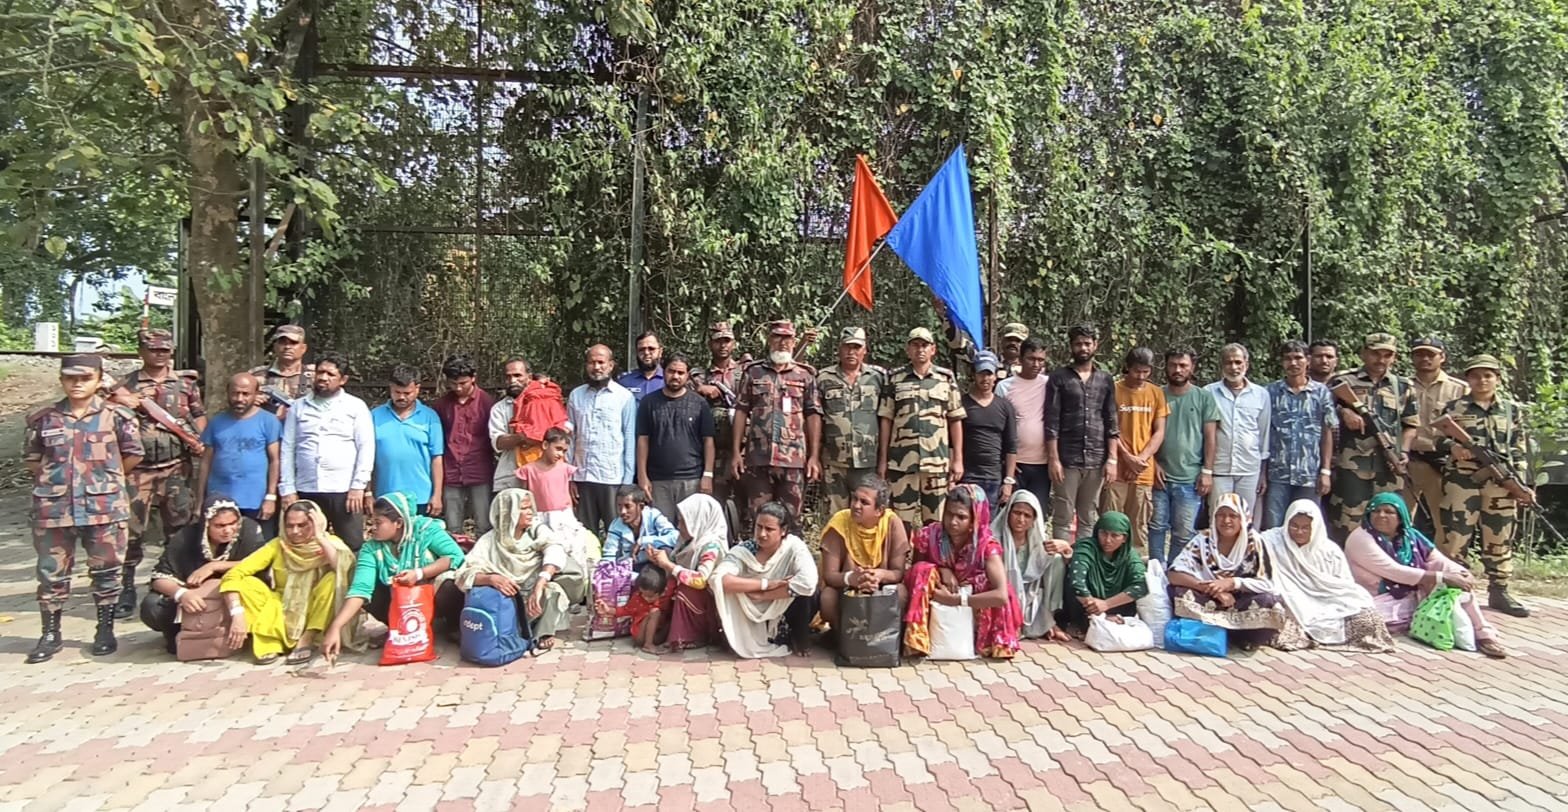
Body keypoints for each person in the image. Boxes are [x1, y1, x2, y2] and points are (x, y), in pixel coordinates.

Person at [24, 354, 143, 662]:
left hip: (103, 506)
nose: (77, 384)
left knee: (106, 571)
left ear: (99, 378)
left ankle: (104, 630)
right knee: (51, 574)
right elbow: (34, 461)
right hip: (54, 509)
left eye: (85, 378)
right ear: (61, 380)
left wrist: (106, 480)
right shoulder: (44, 418)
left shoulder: (118, 416)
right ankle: (50, 634)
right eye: (70, 378)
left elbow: (132, 456)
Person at [1345, 493, 1505, 658]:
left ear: (1401, 518)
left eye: (1388, 512)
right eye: (1375, 511)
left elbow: (1438, 560)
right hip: (1378, 598)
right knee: (1361, 622)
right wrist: (1442, 577)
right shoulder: (1360, 538)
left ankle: (1484, 635)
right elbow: (1393, 571)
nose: (1381, 515)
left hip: (1413, 594)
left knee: (1460, 590)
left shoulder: (1411, 536)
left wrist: (1461, 573)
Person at [115, 327, 206, 619]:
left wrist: (202, 442)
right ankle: (125, 587)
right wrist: (118, 401)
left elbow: (197, 414)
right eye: (153, 349)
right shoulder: (125, 385)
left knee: (178, 530)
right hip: (136, 472)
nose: (160, 354)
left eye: (165, 349)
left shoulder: (185, 384)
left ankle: (171, 581)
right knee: (131, 532)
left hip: (175, 467)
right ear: (141, 351)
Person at [1438, 354, 1534, 618]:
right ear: (1468, 379)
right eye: (1476, 375)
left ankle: (1499, 590)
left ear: (1498, 379)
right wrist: (1453, 447)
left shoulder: (1512, 410)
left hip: (1500, 483)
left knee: (1500, 536)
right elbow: (1437, 439)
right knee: (1456, 536)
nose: (1482, 380)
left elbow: (1519, 448)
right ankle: (1455, 590)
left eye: (1488, 375)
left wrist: (1520, 483)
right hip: (1462, 482)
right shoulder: (1454, 408)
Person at [321, 493, 467, 660]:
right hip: (399, 602)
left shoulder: (426, 530)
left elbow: (455, 556)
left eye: (378, 523)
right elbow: (360, 589)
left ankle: (452, 626)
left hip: (432, 596)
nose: (372, 528)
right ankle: (398, 627)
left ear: (398, 523)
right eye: (371, 522)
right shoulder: (371, 548)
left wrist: (420, 573)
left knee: (449, 584)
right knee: (363, 585)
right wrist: (336, 627)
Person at [218, 500, 360, 665]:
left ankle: (307, 639)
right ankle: (271, 642)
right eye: (289, 526)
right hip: (283, 608)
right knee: (246, 583)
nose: (295, 531)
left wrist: (319, 536)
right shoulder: (278, 545)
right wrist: (237, 613)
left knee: (333, 580)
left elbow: (344, 569)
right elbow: (235, 574)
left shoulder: (330, 543)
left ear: (317, 523)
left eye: (303, 525)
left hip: (315, 611)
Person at [453, 488, 587, 653]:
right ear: (508, 511)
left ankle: (542, 633)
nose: (530, 512)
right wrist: (491, 579)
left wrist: (539, 584)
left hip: (533, 595)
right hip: (506, 601)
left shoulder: (537, 531)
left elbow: (555, 549)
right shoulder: (489, 541)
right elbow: (462, 574)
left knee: (554, 590)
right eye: (524, 508)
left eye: (530, 507)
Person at [1258, 499, 1394, 652]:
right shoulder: (1272, 542)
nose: (1299, 532)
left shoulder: (1329, 550)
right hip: (1291, 601)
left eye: (1305, 528)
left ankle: (1319, 636)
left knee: (1368, 618)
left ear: (1315, 528)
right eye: (1294, 526)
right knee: (1277, 617)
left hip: (1327, 601)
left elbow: (1344, 584)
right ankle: (1304, 635)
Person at [902, 484, 1021, 659]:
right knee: (923, 571)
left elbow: (1001, 595)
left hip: (971, 605)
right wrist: (941, 569)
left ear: (975, 519)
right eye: (949, 514)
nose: (953, 522)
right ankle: (918, 642)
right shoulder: (929, 536)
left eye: (961, 517)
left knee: (986, 583)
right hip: (939, 604)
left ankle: (989, 642)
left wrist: (956, 600)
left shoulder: (986, 546)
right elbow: (913, 575)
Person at [141, 498, 268, 657]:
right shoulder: (186, 538)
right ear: (206, 524)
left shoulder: (248, 530)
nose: (228, 530)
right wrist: (182, 594)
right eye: (220, 526)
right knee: (152, 606)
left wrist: (214, 566)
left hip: (235, 599)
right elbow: (159, 578)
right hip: (197, 602)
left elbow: (261, 563)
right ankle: (181, 634)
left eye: (233, 523)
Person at [1166, 493, 1287, 650]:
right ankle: (1218, 632)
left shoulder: (1255, 542)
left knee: (1270, 602)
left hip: (1243, 601)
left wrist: (1233, 583)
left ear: (1243, 518)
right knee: (1178, 592)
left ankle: (1240, 636)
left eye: (1233, 516)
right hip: (1210, 598)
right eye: (1221, 515)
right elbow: (1174, 573)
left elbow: (1268, 583)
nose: (1226, 521)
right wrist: (1212, 589)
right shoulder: (1203, 540)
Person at [731, 320, 822, 527]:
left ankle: (790, 559)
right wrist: (737, 452)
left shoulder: (805, 375)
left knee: (792, 520)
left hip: (793, 460)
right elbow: (741, 410)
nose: (782, 343)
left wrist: (814, 456)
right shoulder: (753, 372)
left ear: (794, 341)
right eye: (777, 337)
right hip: (758, 459)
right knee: (758, 519)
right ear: (769, 339)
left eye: (787, 338)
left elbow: (813, 414)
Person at [280, 353, 375, 548]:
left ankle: (350, 579)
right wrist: (288, 488)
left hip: (344, 490)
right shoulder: (298, 407)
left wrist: (358, 487)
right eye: (320, 372)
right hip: (307, 488)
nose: (323, 377)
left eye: (330, 374)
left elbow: (366, 447)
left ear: (343, 380)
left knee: (351, 545)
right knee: (306, 544)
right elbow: (288, 448)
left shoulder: (355, 407)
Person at [878, 327, 965, 528]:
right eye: (915, 345)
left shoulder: (945, 378)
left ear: (933, 349)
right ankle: (899, 560)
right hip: (901, 463)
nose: (920, 350)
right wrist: (883, 460)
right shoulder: (895, 379)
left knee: (936, 523)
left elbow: (955, 418)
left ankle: (930, 560)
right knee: (899, 523)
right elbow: (886, 419)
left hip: (936, 461)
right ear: (908, 349)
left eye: (924, 345)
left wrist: (958, 459)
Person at [710, 501, 820, 658]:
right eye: (759, 527)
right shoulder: (745, 550)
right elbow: (720, 580)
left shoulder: (793, 547)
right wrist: (766, 584)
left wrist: (764, 595)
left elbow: (807, 582)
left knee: (811, 592)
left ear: (783, 531)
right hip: (750, 613)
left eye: (769, 529)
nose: (762, 534)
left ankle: (798, 637)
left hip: (780, 610)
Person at [1327, 332, 1408, 541]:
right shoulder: (1343, 381)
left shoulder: (1403, 386)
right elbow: (1322, 411)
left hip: (1389, 465)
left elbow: (1411, 424)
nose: (1381, 359)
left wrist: (1404, 451)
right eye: (1375, 353)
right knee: (1349, 519)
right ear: (1364, 354)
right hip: (1353, 466)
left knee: (1388, 517)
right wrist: (1343, 411)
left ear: (1394, 358)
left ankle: (1386, 563)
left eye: (1387, 355)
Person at [1044, 324, 1118, 542]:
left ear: (1095, 345)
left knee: (1088, 517)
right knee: (1063, 515)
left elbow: (1112, 420)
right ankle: (1060, 566)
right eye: (1078, 344)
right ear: (1071, 347)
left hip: (1096, 459)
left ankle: (1082, 566)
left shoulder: (1105, 379)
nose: (1083, 348)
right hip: (1067, 459)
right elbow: (1051, 420)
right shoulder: (1059, 377)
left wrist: (1112, 459)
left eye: (1087, 343)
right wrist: (1053, 459)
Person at [1150, 348, 1218, 566]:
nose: (1177, 370)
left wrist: (1207, 471)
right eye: (1173, 365)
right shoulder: (1155, 395)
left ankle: (1176, 573)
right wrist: (1152, 464)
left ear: (1192, 367)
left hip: (1190, 478)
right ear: (1165, 366)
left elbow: (1210, 437)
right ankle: (1156, 573)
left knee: (1183, 532)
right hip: (1158, 476)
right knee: (1156, 527)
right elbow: (1144, 434)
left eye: (1183, 365)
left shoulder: (1203, 397)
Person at [818, 475, 910, 632]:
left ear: (879, 511)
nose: (856, 505)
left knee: (900, 593)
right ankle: (842, 639)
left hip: (881, 586)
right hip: (847, 589)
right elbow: (829, 575)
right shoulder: (839, 523)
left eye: (864, 502)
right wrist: (852, 578)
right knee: (828, 597)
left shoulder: (892, 523)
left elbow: (898, 573)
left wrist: (878, 575)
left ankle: (887, 639)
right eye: (855, 499)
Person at [196, 373, 281, 540]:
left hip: (255, 500)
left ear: (256, 394)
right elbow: (206, 462)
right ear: (227, 393)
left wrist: (271, 497)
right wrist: (199, 501)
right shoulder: (216, 422)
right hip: (220, 499)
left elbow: (275, 460)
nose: (239, 398)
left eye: (245, 394)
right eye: (235, 393)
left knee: (258, 549)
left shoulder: (269, 421)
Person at [1399, 337, 1468, 543]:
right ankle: (1401, 566)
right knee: (1398, 519)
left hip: (1441, 462)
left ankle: (1444, 571)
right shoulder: (1400, 386)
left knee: (1445, 523)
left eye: (1431, 354)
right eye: (1420, 354)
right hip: (1406, 461)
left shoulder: (1460, 389)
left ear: (1442, 357)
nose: (1425, 359)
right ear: (1412, 358)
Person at [1263, 341, 1336, 528]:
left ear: (1308, 361)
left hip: (1309, 474)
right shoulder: (1269, 392)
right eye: (1288, 359)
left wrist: (1325, 471)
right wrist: (1262, 473)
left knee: (1306, 527)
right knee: (1274, 527)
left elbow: (1327, 432)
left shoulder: (1321, 393)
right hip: (1277, 474)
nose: (1293, 363)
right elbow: (1262, 433)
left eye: (1298, 358)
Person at [1102, 347, 1168, 556]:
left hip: (1143, 471)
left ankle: (1137, 572)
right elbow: (1109, 428)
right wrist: (1127, 458)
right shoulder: (1113, 389)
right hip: (1117, 470)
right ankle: (1108, 567)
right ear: (1127, 368)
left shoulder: (1156, 393)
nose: (1140, 377)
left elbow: (1159, 432)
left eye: (1145, 372)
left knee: (1138, 526)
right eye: (1136, 371)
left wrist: (1140, 459)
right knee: (1111, 523)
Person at [636, 352, 716, 521]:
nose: (675, 376)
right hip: (657, 481)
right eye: (671, 371)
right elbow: (643, 440)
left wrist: (707, 475)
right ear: (663, 372)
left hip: (691, 479)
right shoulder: (648, 403)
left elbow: (708, 441)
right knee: (661, 533)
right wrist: (642, 476)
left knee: (690, 531)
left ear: (687, 376)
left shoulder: (699, 404)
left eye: (681, 373)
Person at [814, 327, 885, 516]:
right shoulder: (823, 378)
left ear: (865, 350)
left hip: (867, 462)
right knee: (835, 517)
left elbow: (886, 418)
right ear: (839, 348)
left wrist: (884, 459)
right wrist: (815, 456)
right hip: (834, 462)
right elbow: (815, 420)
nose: (851, 352)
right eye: (847, 347)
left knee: (865, 515)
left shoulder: (878, 378)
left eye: (856, 347)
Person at [568, 346, 638, 537]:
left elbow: (630, 439)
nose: (596, 367)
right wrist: (569, 476)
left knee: (617, 533)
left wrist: (627, 482)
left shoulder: (624, 397)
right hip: (583, 477)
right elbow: (570, 437)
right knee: (584, 536)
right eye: (592, 362)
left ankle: (617, 567)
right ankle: (587, 567)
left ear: (611, 365)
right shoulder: (576, 396)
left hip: (612, 478)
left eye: (601, 362)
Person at [647, 493, 731, 649]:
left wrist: (669, 566)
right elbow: (675, 565)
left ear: (698, 521)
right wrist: (659, 561)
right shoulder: (687, 541)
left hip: (710, 606)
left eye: (683, 522)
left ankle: (689, 637)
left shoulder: (711, 546)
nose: (679, 526)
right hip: (694, 602)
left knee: (686, 587)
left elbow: (700, 580)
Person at [993, 489, 1071, 641]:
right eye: (1017, 513)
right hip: (1002, 592)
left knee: (1056, 561)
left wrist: (1066, 548)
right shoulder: (995, 537)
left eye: (1027, 515)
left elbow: (1062, 561)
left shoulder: (1037, 541)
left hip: (1031, 595)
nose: (1021, 519)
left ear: (1034, 519)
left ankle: (1050, 621)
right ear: (1008, 512)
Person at [1204, 343, 1270, 524]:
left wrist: (1263, 473)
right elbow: (1205, 434)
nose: (1234, 367)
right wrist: (1206, 471)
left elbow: (1263, 437)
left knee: (1245, 519)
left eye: (1238, 362)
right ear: (1222, 366)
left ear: (1246, 364)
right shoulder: (1209, 393)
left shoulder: (1261, 394)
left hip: (1249, 469)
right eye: (1228, 363)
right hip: (1219, 469)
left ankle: (1246, 553)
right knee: (1219, 518)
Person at [433, 354, 497, 537]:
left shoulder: (487, 403)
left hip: (480, 470)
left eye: (463, 383)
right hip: (451, 471)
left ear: (473, 378)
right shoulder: (441, 405)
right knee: (452, 527)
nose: (458, 388)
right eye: (453, 384)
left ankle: (482, 562)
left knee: (484, 525)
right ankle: (455, 562)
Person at [371, 365, 444, 515]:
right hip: (385, 496)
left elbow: (436, 458)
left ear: (417, 389)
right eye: (397, 392)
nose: (402, 397)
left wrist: (437, 495)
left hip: (420, 497)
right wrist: (367, 492)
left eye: (407, 393)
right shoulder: (374, 416)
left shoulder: (430, 418)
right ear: (390, 388)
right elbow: (366, 458)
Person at [1062, 512, 1147, 635]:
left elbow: (1142, 585)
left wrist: (1106, 604)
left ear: (1124, 538)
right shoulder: (1086, 548)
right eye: (1103, 533)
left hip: (1116, 609)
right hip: (1086, 607)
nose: (1107, 540)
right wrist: (1098, 611)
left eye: (1115, 536)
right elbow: (1077, 581)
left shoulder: (1129, 556)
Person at [488, 356, 562, 493]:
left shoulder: (548, 401)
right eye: (508, 377)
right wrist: (525, 436)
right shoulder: (499, 408)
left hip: (548, 476)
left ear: (529, 376)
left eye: (517, 375)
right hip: (511, 477)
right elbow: (498, 443)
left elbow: (562, 433)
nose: (512, 381)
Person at [694, 321, 743, 515]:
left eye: (726, 341)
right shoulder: (699, 375)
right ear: (710, 344)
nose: (722, 346)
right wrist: (700, 389)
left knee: (746, 506)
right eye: (718, 341)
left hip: (743, 451)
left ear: (734, 343)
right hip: (713, 453)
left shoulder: (746, 372)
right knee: (714, 506)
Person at [996, 337, 1052, 507]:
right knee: (1010, 514)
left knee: (1036, 514)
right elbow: (998, 428)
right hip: (1015, 464)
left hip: (1042, 464)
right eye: (1031, 359)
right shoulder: (1004, 387)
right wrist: (1005, 463)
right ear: (1020, 359)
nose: (1036, 364)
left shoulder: (1049, 384)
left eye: (1040, 360)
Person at [960, 350, 1018, 508]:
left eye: (989, 374)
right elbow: (953, 443)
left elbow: (1011, 446)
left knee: (989, 527)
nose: (985, 379)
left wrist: (1008, 481)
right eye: (981, 374)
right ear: (974, 374)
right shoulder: (961, 404)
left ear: (995, 376)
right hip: (966, 476)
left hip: (993, 477)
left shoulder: (1005, 407)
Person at [598, 566, 670, 653]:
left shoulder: (664, 599)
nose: (646, 598)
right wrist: (608, 610)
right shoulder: (637, 598)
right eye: (643, 594)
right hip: (640, 635)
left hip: (657, 634)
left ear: (662, 592)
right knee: (655, 612)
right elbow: (624, 610)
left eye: (650, 596)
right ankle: (648, 645)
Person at [602, 486, 679, 566]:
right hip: (630, 568)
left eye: (627, 506)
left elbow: (675, 537)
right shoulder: (616, 525)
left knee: (666, 550)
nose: (622, 511)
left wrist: (643, 541)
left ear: (641, 507)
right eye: (619, 506)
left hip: (654, 564)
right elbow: (609, 555)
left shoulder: (653, 516)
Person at [251, 324, 314, 413]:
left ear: (303, 348)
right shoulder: (256, 375)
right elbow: (237, 403)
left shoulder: (315, 376)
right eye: (282, 342)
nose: (287, 347)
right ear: (275, 346)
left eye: (293, 343)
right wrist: (249, 401)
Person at [618, 331, 665, 402]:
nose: (646, 352)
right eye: (641, 349)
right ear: (636, 352)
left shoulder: (668, 380)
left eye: (651, 348)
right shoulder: (624, 381)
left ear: (660, 352)